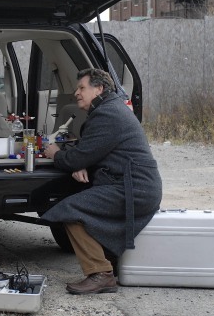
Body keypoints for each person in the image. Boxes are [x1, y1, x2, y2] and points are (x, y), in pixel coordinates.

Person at [42, 68, 162, 295]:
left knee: (71, 210)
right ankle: (109, 264)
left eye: (82, 88)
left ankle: (101, 273)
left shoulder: (108, 114)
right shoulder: (110, 108)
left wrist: (55, 153)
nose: (76, 92)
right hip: (133, 185)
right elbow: (91, 151)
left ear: (99, 89)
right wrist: (82, 161)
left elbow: (79, 155)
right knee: (83, 206)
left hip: (133, 189)